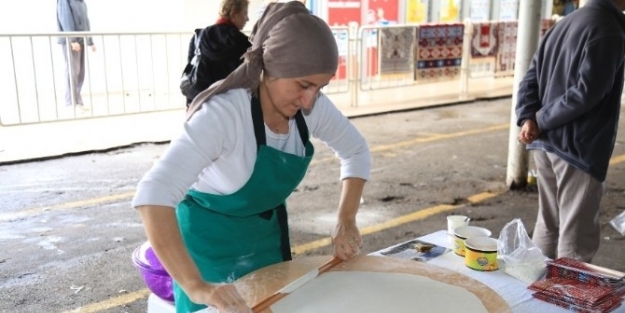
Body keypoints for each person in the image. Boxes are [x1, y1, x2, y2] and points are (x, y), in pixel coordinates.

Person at [132, 2, 371, 312]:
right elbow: (153, 195)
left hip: (264, 242)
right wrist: (197, 286)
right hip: (207, 252)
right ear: (271, 67)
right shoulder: (223, 114)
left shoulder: (310, 107)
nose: (310, 99)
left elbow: (355, 151)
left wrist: (346, 219)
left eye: (320, 87)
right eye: (303, 85)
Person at [516, 0, 625, 263]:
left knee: (549, 223)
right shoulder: (608, 28)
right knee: (576, 238)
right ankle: (566, 301)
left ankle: (537, 297)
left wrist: (528, 118)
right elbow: (586, 94)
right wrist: (539, 120)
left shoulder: (563, 24)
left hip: (545, 144)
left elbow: (529, 79)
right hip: (578, 147)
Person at [184, 0, 251, 107]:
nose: (247, 19)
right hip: (231, 108)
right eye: (245, 13)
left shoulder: (198, 37)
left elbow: (191, 75)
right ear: (234, 13)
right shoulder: (244, 43)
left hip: (200, 105)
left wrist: (190, 107)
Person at [56, 0, 96, 110]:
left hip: (81, 40)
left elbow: (86, 22)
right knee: (72, 71)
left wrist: (90, 41)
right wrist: (72, 39)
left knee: (79, 72)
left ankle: (77, 101)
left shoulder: (82, 3)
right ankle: (70, 102)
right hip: (71, 41)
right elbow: (65, 19)